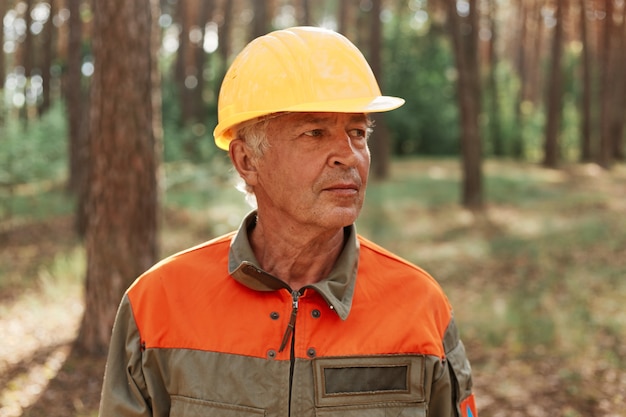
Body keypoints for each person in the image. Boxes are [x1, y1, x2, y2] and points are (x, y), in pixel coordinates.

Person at [99, 26, 478, 417]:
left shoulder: (419, 305)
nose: (347, 156)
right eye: (315, 132)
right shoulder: (159, 303)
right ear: (247, 161)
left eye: (357, 132)